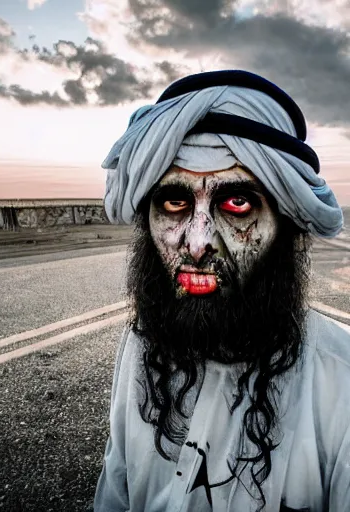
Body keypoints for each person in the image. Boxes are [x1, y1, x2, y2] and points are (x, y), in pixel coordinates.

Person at [93, 70, 349, 512]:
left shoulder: (340, 377)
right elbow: (116, 492)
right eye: (175, 201)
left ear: (284, 222)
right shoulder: (139, 346)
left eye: (236, 203)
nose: (196, 243)